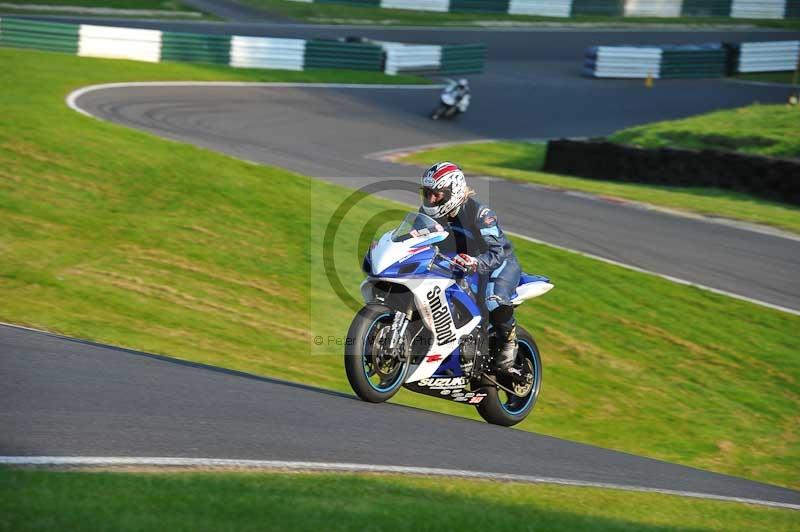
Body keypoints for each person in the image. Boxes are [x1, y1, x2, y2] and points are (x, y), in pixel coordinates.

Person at [419, 161, 523, 380]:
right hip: (458, 262)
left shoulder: (480, 214)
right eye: (427, 193)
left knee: (493, 299)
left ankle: (509, 343)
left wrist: (476, 262)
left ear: (453, 192)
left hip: (498, 263)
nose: (430, 200)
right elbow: (416, 239)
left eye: (436, 195)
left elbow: (497, 252)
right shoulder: (428, 212)